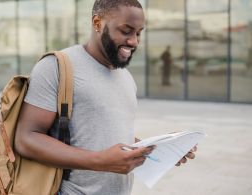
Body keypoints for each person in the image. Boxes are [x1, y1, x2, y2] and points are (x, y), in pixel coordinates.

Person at [14, 1, 197, 195]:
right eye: (126, 31)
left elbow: (105, 135)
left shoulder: (126, 77)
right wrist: (100, 161)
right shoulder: (56, 66)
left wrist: (160, 150)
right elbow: (26, 139)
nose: (134, 41)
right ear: (97, 23)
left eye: (138, 33)